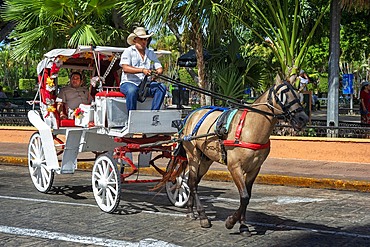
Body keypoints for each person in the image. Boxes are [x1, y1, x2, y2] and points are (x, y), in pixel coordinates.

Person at [119, 26, 166, 112]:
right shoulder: (128, 51)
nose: (144, 42)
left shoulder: (150, 53)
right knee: (132, 90)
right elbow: (125, 68)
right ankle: (132, 118)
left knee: (161, 87)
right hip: (128, 83)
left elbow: (159, 68)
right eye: (141, 39)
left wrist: (157, 73)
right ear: (135, 40)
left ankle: (153, 114)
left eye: (146, 39)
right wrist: (142, 70)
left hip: (145, 85)